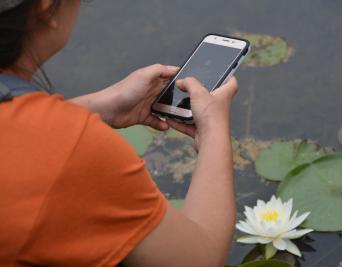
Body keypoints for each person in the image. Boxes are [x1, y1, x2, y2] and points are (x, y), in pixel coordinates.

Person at [0, 0, 239, 266]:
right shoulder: (76, 148)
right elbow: (199, 258)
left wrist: (96, 108)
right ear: (46, 9)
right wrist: (214, 133)